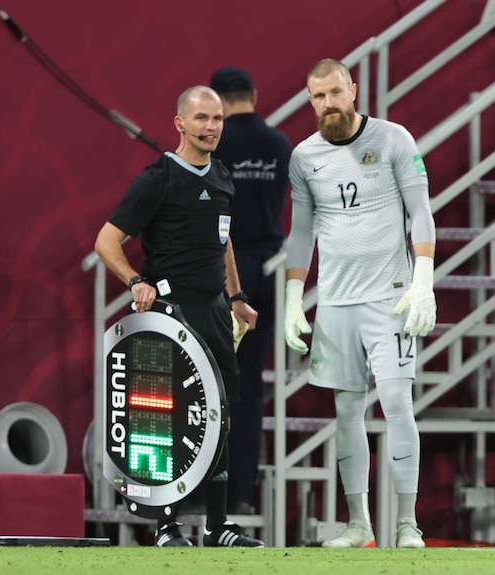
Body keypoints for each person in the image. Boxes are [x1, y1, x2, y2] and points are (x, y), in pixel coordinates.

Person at [94, 85, 265, 548]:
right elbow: (106, 242)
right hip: (170, 313)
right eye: (202, 119)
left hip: (212, 311)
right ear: (180, 124)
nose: (212, 127)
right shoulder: (158, 178)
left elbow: (223, 241)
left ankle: (216, 528)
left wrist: (237, 297)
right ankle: (166, 527)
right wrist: (135, 281)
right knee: (162, 423)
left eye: (218, 119)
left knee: (222, 415)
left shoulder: (224, 176)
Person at [283, 58, 437, 549]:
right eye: (317, 97)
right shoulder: (304, 157)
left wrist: (424, 280)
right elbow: (302, 232)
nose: (327, 104)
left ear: (353, 89)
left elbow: (420, 212)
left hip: (390, 296)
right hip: (336, 303)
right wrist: (292, 299)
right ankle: (359, 525)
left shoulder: (394, 139)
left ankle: (408, 524)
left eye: (334, 92)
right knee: (346, 410)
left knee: (396, 403)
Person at [210, 66, 293, 515]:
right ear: (254, 94)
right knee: (251, 383)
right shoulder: (280, 145)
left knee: (214, 381)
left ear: (217, 102)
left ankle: (212, 489)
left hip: (230, 270)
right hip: (273, 268)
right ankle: (242, 492)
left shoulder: (217, 142)